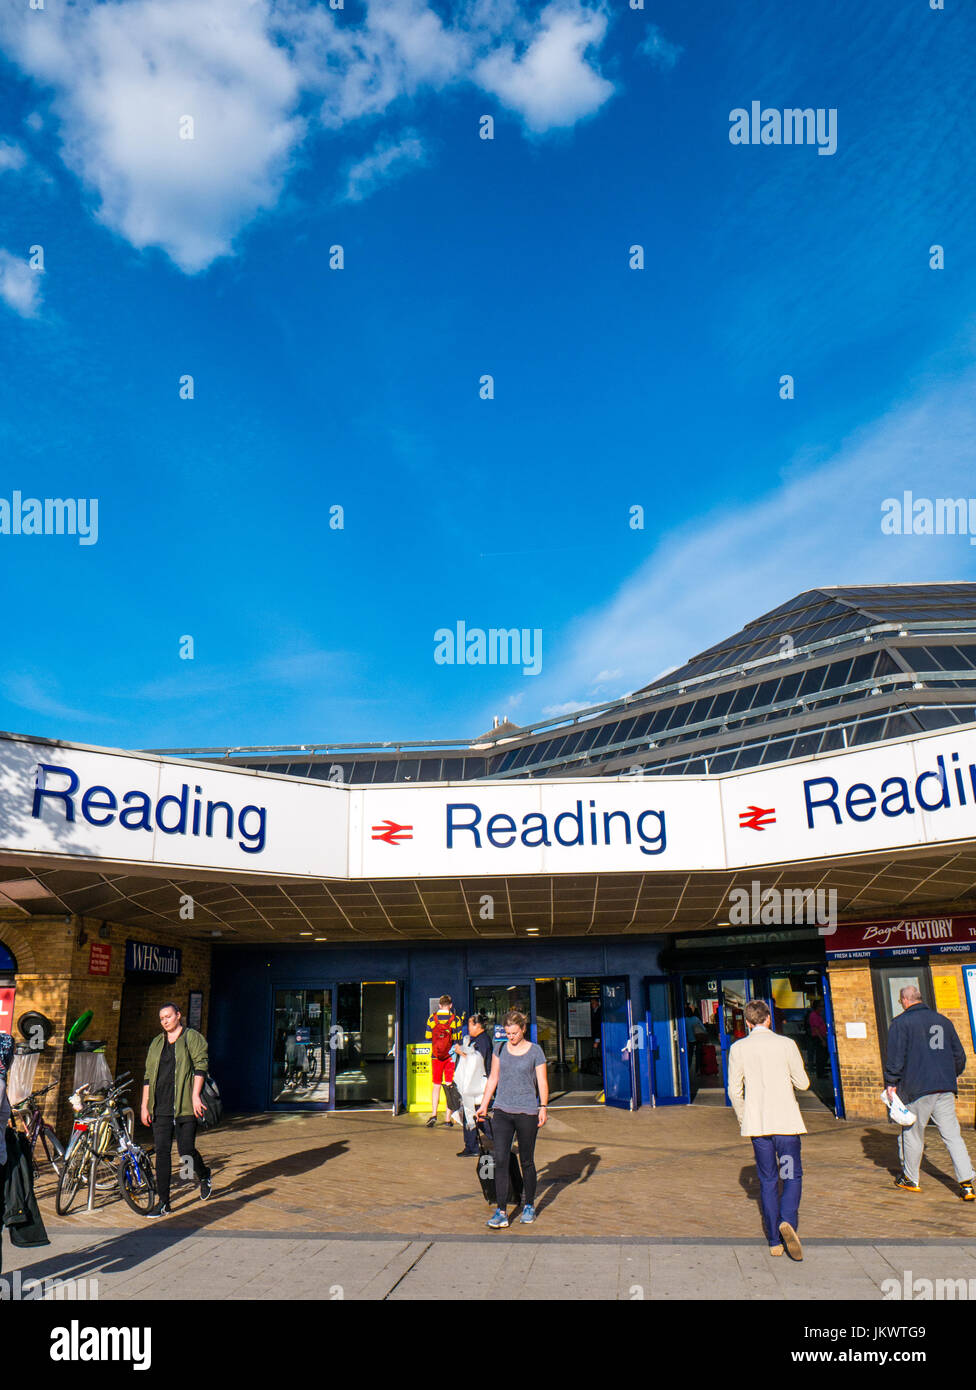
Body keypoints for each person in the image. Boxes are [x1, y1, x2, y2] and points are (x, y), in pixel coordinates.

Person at [727, 998, 810, 1261]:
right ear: (769, 1019)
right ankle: (788, 1222)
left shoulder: (739, 1048)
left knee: (768, 1180)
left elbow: (734, 1090)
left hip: (759, 1127)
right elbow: (804, 1083)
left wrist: (744, 1118)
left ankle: (774, 1240)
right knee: (791, 1175)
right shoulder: (786, 1045)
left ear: (748, 1023)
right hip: (786, 1125)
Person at [884, 984, 975, 1199]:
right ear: (919, 998)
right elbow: (959, 1056)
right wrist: (948, 1074)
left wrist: (891, 1082)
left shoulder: (901, 1023)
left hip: (917, 1088)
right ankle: (967, 1183)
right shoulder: (944, 1021)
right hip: (944, 1087)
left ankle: (910, 1178)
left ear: (905, 1001)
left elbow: (895, 1057)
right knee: (953, 1136)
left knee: (913, 1133)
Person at [476, 1009, 548, 1228]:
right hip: (502, 1112)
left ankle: (528, 1205)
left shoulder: (535, 1051)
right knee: (500, 1160)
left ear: (523, 1029)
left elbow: (542, 1082)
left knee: (526, 1160)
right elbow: (493, 1078)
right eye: (508, 1033)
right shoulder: (500, 1049)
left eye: (514, 1033)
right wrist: (485, 1104)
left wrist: (543, 1107)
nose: (511, 1037)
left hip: (527, 1111)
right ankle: (501, 1211)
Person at [141, 1002, 212, 1217]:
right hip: (160, 1106)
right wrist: (144, 1105)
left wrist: (195, 1096)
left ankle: (203, 1174)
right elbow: (147, 1076)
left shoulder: (192, 1038)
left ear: (178, 1016)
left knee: (185, 1151)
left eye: (168, 1016)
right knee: (162, 1153)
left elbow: (201, 1066)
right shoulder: (156, 1043)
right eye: (162, 1018)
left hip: (185, 1105)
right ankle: (164, 1202)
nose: (165, 1021)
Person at [456, 1012, 493, 1157]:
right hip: (472, 1084)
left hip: (479, 1085)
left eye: (470, 1024)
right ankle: (471, 1146)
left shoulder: (483, 1040)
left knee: (476, 1115)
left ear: (478, 1025)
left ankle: (499, 1138)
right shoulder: (475, 1039)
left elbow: (478, 1061)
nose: (468, 1028)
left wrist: (461, 1053)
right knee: (469, 1113)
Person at [424, 995, 465, 1128]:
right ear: (451, 1005)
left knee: (436, 1085)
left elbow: (428, 1036)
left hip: (436, 1057)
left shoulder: (432, 1019)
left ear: (440, 1005)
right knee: (449, 1086)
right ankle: (448, 1118)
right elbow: (458, 1039)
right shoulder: (456, 1019)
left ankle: (434, 1114)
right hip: (450, 1057)